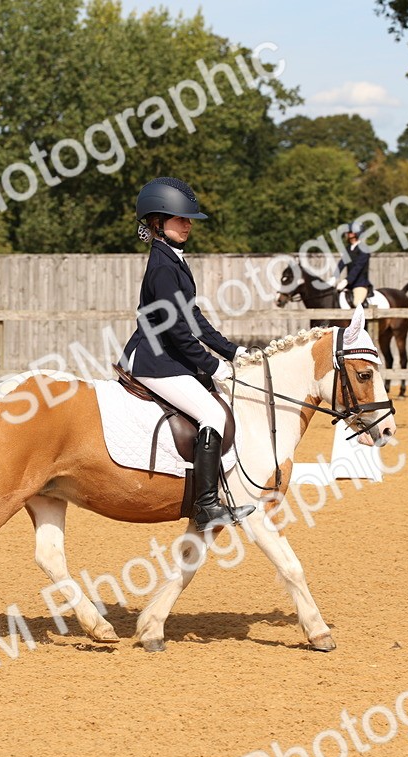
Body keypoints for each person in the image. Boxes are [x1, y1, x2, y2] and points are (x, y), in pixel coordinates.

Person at [121, 177, 254, 532]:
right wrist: (213, 365)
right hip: (154, 359)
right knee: (212, 412)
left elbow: (194, 318)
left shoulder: (174, 260)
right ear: (157, 223)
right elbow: (177, 331)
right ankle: (206, 505)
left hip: (168, 356)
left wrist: (233, 351)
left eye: (189, 218)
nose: (188, 224)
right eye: (181, 218)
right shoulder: (163, 266)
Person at [336, 222, 371, 307]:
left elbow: (357, 268)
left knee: (357, 303)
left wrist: (346, 280)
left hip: (360, 284)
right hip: (349, 285)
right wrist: (334, 277)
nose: (347, 234)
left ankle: (365, 320)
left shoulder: (364, 249)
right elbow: (342, 263)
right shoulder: (348, 248)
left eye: (349, 232)